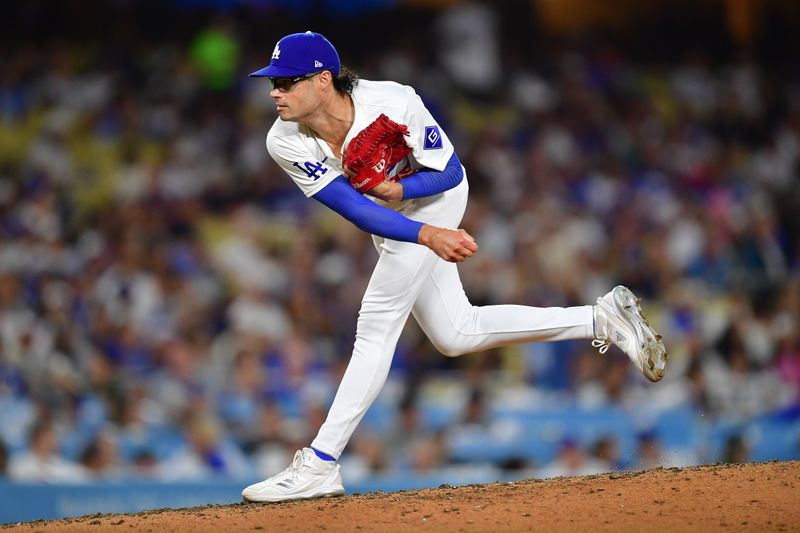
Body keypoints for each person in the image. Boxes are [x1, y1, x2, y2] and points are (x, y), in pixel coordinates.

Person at [242, 31, 667, 503]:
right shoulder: (283, 140)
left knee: (376, 327)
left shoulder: (392, 101)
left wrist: (413, 207)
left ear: (323, 81)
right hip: (392, 220)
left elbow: (450, 173)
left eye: (285, 81)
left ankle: (321, 462)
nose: (274, 91)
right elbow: (354, 208)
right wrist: (414, 226)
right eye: (272, 82)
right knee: (455, 333)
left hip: (434, 200)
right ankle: (600, 318)